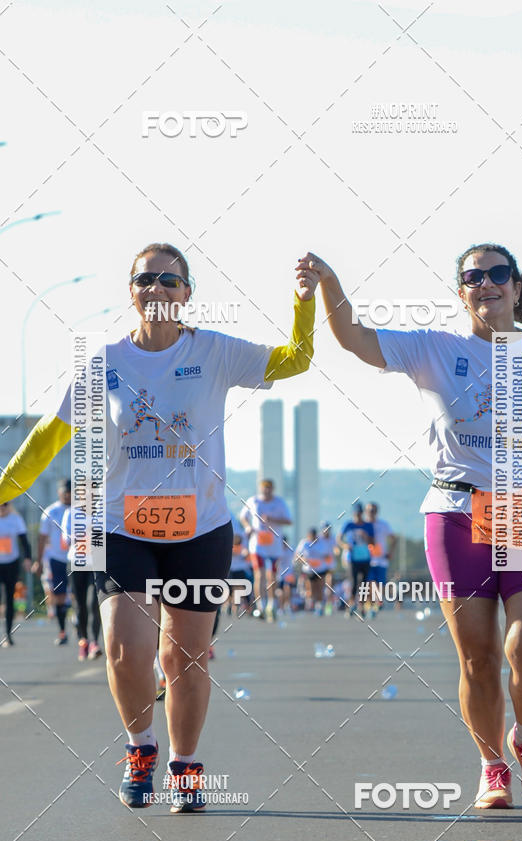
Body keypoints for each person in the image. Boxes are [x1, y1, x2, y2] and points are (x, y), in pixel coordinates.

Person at [0, 242, 317, 812]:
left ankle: (185, 765)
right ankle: (140, 747)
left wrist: (304, 301)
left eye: (170, 281)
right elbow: (50, 436)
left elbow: (295, 359)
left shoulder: (215, 352)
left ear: (187, 293)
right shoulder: (104, 363)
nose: (158, 290)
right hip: (120, 528)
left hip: (201, 529)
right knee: (126, 649)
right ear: (131, 292)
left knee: (183, 658)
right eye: (147, 280)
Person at [300, 245, 522, 808]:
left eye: (497, 273)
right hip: (457, 513)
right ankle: (492, 767)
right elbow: (355, 339)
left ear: (516, 288)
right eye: (472, 276)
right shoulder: (434, 347)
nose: (486, 282)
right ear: (461, 292)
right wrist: (331, 285)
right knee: (479, 659)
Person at [240, 479, 292, 622]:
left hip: (274, 546)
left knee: (272, 577)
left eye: (269, 487)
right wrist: (248, 527)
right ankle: (261, 606)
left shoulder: (279, 503)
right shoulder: (253, 501)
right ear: (260, 488)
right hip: (257, 545)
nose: (267, 490)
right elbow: (243, 517)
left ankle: (271, 605)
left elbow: (289, 521)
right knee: (260, 575)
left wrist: (273, 519)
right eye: (264, 487)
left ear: (273, 489)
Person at [61, 505, 103, 661]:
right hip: (76, 563)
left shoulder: (102, 510)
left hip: (96, 563)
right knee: (79, 605)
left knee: (93, 603)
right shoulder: (70, 513)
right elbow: (66, 540)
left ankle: (94, 643)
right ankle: (84, 640)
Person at [32, 480, 71, 645]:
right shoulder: (50, 512)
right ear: (59, 493)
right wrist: (39, 561)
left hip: (78, 558)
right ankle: (62, 631)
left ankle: (82, 629)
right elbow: (42, 538)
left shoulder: (82, 510)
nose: (67, 496)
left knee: (78, 595)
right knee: (59, 595)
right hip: (57, 559)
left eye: (70, 492)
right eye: (65, 492)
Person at [0, 502, 32, 646]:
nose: (2, 507)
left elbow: (24, 541)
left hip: (11, 563)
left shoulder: (16, 519)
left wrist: (28, 558)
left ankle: (8, 634)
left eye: (4, 504)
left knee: (9, 599)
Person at [338, 502, 374, 616]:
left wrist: (366, 537)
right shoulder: (348, 525)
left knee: (364, 583)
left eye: (359, 513)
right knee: (353, 582)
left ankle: (361, 606)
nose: (357, 516)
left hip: (365, 557)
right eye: (356, 513)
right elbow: (339, 539)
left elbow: (373, 542)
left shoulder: (368, 525)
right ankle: (351, 604)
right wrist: (345, 545)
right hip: (352, 558)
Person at [364, 502, 397, 615]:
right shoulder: (363, 525)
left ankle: (377, 604)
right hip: (367, 560)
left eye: (373, 511)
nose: (371, 513)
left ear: (377, 512)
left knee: (380, 584)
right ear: (365, 512)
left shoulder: (383, 525)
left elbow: (393, 539)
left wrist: (390, 552)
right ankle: (369, 604)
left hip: (381, 560)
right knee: (369, 584)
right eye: (369, 511)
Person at [294, 527, 329, 614]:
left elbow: (327, 555)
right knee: (310, 589)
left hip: (320, 569)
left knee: (320, 588)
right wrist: (303, 559)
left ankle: (319, 606)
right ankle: (311, 604)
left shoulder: (321, 543)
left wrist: (321, 560)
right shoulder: (304, 543)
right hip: (309, 570)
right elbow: (297, 555)